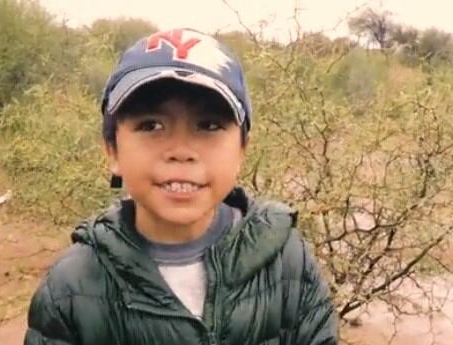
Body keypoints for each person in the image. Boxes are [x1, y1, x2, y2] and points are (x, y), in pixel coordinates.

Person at [24, 28, 338, 345]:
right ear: (112, 151)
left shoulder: (286, 261)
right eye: (151, 125)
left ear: (242, 150)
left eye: (209, 125)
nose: (181, 150)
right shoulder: (71, 287)